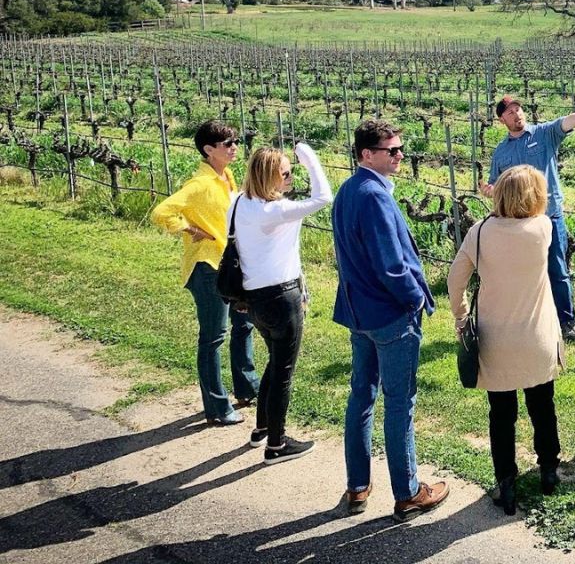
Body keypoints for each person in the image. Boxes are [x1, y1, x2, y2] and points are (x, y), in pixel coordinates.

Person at [332, 120, 449, 522]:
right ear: (367, 154)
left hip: (358, 311)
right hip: (389, 315)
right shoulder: (374, 196)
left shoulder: (349, 190)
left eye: (401, 149)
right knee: (399, 402)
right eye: (392, 150)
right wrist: (416, 300)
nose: (401, 156)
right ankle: (408, 491)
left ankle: (357, 485)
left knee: (361, 396)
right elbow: (391, 265)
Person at [449, 165, 563, 515]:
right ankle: (548, 470)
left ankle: (506, 482)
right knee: (542, 405)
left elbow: (456, 279)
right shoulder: (543, 228)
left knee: (501, 414)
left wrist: (461, 315)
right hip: (537, 335)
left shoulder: (480, 233)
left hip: (495, 337)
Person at [151, 120, 259, 426]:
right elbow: (162, 212)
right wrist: (186, 227)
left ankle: (247, 387)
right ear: (208, 150)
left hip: (231, 264)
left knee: (244, 324)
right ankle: (217, 406)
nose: (234, 147)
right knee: (213, 336)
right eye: (227, 144)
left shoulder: (226, 176)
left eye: (235, 141)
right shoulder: (198, 184)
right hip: (208, 268)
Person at [230, 143, 333, 463]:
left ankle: (262, 427)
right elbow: (324, 198)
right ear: (268, 177)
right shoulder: (274, 210)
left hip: (254, 298)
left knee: (274, 363)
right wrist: (312, 160)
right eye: (285, 174)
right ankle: (277, 443)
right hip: (282, 297)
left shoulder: (238, 203)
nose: (291, 178)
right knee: (284, 370)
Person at [480, 96, 575, 342]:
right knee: (524, 272)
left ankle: (566, 323)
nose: (517, 114)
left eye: (518, 109)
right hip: (518, 224)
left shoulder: (544, 134)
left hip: (549, 217)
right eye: (510, 112)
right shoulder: (501, 152)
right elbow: (496, 185)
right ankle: (531, 320)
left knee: (557, 270)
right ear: (501, 120)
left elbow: (566, 122)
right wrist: (489, 191)